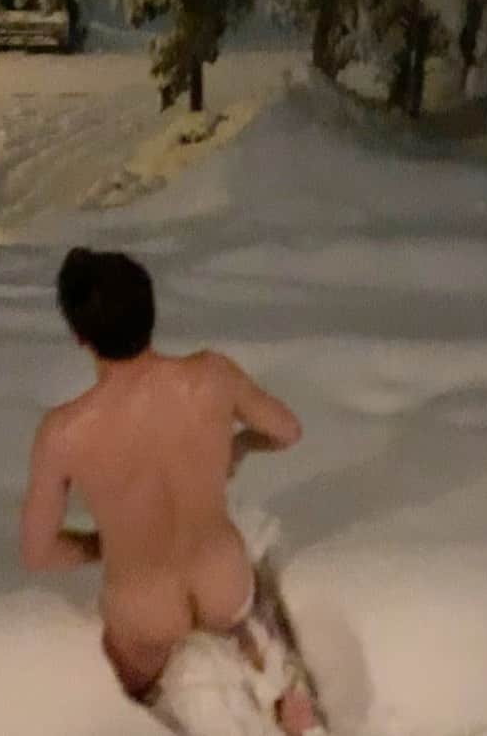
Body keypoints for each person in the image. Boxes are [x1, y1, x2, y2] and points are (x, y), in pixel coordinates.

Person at [20, 247, 319, 735]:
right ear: (151, 312)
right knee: (242, 613)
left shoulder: (64, 432)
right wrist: (239, 445)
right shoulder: (212, 376)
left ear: (80, 336)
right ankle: (272, 682)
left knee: (135, 681)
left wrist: (102, 545)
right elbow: (287, 430)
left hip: (145, 612)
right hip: (224, 584)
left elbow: (39, 552)